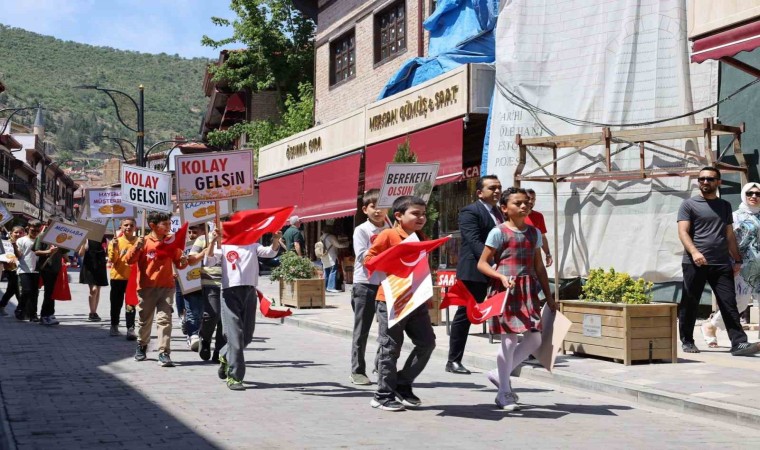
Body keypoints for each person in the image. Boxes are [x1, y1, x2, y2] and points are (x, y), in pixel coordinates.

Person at [476, 187, 555, 411]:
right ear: (504, 208)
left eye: (526, 203)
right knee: (509, 341)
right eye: (518, 203)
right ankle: (504, 393)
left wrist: (549, 297)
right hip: (506, 291)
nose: (523, 206)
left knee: (535, 340)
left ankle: (499, 374)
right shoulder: (498, 232)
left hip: (529, 290)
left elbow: (539, 266)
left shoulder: (535, 233)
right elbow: (482, 263)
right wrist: (500, 276)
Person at [677, 167, 759, 356]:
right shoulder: (689, 205)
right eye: (702, 179)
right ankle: (687, 341)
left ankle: (739, 343)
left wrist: (737, 259)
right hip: (695, 262)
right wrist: (695, 252)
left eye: (710, 179)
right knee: (691, 302)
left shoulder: (724, 206)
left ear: (718, 182)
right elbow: (683, 231)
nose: (705, 182)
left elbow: (729, 234)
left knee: (729, 303)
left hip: (721, 263)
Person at [365, 195, 436, 412]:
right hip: (391, 299)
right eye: (415, 213)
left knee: (427, 342)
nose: (421, 217)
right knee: (390, 348)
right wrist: (393, 256)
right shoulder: (388, 235)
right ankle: (382, 395)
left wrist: (428, 295)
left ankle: (403, 383)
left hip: (416, 300)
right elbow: (368, 260)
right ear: (398, 215)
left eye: (423, 214)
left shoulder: (420, 236)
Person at [205, 224, 281, 390]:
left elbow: (270, 252)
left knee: (246, 336)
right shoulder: (224, 247)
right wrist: (212, 241)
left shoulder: (253, 245)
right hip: (230, 293)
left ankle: (224, 354)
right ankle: (235, 377)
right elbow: (208, 260)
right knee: (235, 337)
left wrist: (275, 240)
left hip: (249, 292)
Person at [447, 175, 503, 375]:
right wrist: (491, 263)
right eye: (492, 188)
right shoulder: (470, 211)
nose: (497, 191)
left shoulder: (500, 212)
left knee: (507, 307)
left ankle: (520, 352)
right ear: (480, 192)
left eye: (499, 187)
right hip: (475, 271)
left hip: (498, 270)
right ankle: (453, 360)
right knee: (466, 315)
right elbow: (473, 241)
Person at [126, 211, 188, 367]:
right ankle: (142, 344)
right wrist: (136, 248)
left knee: (164, 320)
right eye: (165, 224)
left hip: (167, 287)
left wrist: (184, 260)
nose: (169, 226)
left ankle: (164, 352)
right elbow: (129, 260)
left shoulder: (171, 241)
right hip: (147, 288)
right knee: (144, 320)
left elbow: (180, 263)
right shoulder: (144, 241)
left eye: (169, 223)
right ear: (152, 225)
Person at [703, 182, 760, 347]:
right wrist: (732, 262)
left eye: (758, 194)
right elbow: (726, 240)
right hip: (740, 266)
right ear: (744, 195)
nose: (754, 197)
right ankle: (711, 326)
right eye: (750, 193)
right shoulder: (734, 216)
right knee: (740, 301)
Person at [349, 189, 389, 385]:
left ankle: (382, 365)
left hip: (387, 284)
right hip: (365, 284)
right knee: (362, 330)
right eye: (373, 206)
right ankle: (357, 370)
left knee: (388, 330)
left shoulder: (392, 229)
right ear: (365, 209)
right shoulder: (362, 230)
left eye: (382, 206)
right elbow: (364, 257)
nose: (378, 211)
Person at [191, 226, 226, 363]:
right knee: (213, 314)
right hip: (210, 282)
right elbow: (191, 258)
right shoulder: (202, 239)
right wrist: (205, 251)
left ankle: (220, 350)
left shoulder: (233, 239)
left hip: (229, 283)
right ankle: (205, 338)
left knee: (225, 319)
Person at [15, 220, 57, 323]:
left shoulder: (42, 239)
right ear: (28, 228)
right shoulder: (21, 240)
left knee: (34, 293)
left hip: (37, 269)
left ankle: (33, 315)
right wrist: (13, 246)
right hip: (24, 269)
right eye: (33, 230)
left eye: (37, 230)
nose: (35, 232)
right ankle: (20, 308)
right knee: (27, 290)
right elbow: (19, 255)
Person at [107, 218, 138, 339]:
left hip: (132, 278)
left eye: (131, 225)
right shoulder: (115, 241)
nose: (128, 227)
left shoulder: (139, 241)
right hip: (117, 277)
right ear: (121, 227)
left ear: (135, 227)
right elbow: (112, 260)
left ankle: (130, 328)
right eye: (125, 225)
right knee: (116, 304)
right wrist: (114, 248)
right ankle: (114, 325)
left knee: (131, 304)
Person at [180, 225, 204, 351]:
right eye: (189, 232)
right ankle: (192, 335)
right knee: (192, 312)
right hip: (189, 283)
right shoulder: (184, 246)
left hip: (206, 283)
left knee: (201, 313)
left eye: (195, 232)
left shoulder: (210, 245)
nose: (191, 234)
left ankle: (196, 331)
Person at [79, 237, 108, 322]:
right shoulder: (87, 238)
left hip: (100, 265)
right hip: (90, 267)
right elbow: (81, 254)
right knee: (93, 290)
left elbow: (107, 254)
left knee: (98, 290)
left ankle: (94, 312)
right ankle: (92, 313)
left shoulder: (104, 239)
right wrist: (83, 244)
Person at [525, 188, 553, 267]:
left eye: (533, 199)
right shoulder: (516, 215)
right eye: (528, 199)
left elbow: (542, 237)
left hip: (535, 257)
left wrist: (548, 254)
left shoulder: (538, 216)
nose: (530, 201)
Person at [0, 226, 24, 316]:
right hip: (11, 269)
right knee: (18, 289)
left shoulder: (23, 242)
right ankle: (21, 309)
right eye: (16, 232)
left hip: (22, 269)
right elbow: (1, 255)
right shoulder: (5, 243)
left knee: (11, 290)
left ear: (24, 233)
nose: (18, 234)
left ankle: (2, 305)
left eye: (20, 233)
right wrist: (5, 261)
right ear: (11, 233)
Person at [319, 226, 349, 293]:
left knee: (326, 272)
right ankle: (331, 287)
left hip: (324, 257)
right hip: (331, 256)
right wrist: (347, 244)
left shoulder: (321, 237)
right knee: (333, 271)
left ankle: (325, 287)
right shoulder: (331, 237)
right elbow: (338, 245)